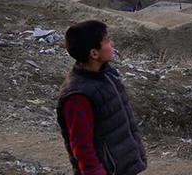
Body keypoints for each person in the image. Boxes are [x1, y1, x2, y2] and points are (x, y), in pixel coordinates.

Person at [56, 20, 147, 175]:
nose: (112, 44)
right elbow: (82, 146)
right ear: (94, 53)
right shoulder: (78, 95)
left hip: (123, 168)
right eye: (107, 41)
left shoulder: (107, 74)